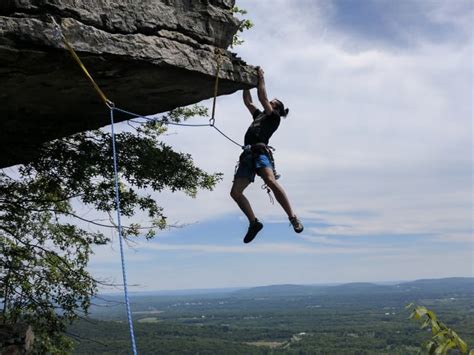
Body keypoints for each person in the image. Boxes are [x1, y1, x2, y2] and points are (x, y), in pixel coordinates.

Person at [230, 67, 304, 244]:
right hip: (248, 154)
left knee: (270, 181)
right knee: (235, 193)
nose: (269, 103)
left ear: (276, 108)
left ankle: (292, 217)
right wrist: (244, 84)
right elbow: (248, 102)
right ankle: (254, 223)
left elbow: (262, 98)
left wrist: (260, 78)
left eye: (273, 102)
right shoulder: (259, 115)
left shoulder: (274, 117)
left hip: (261, 152)